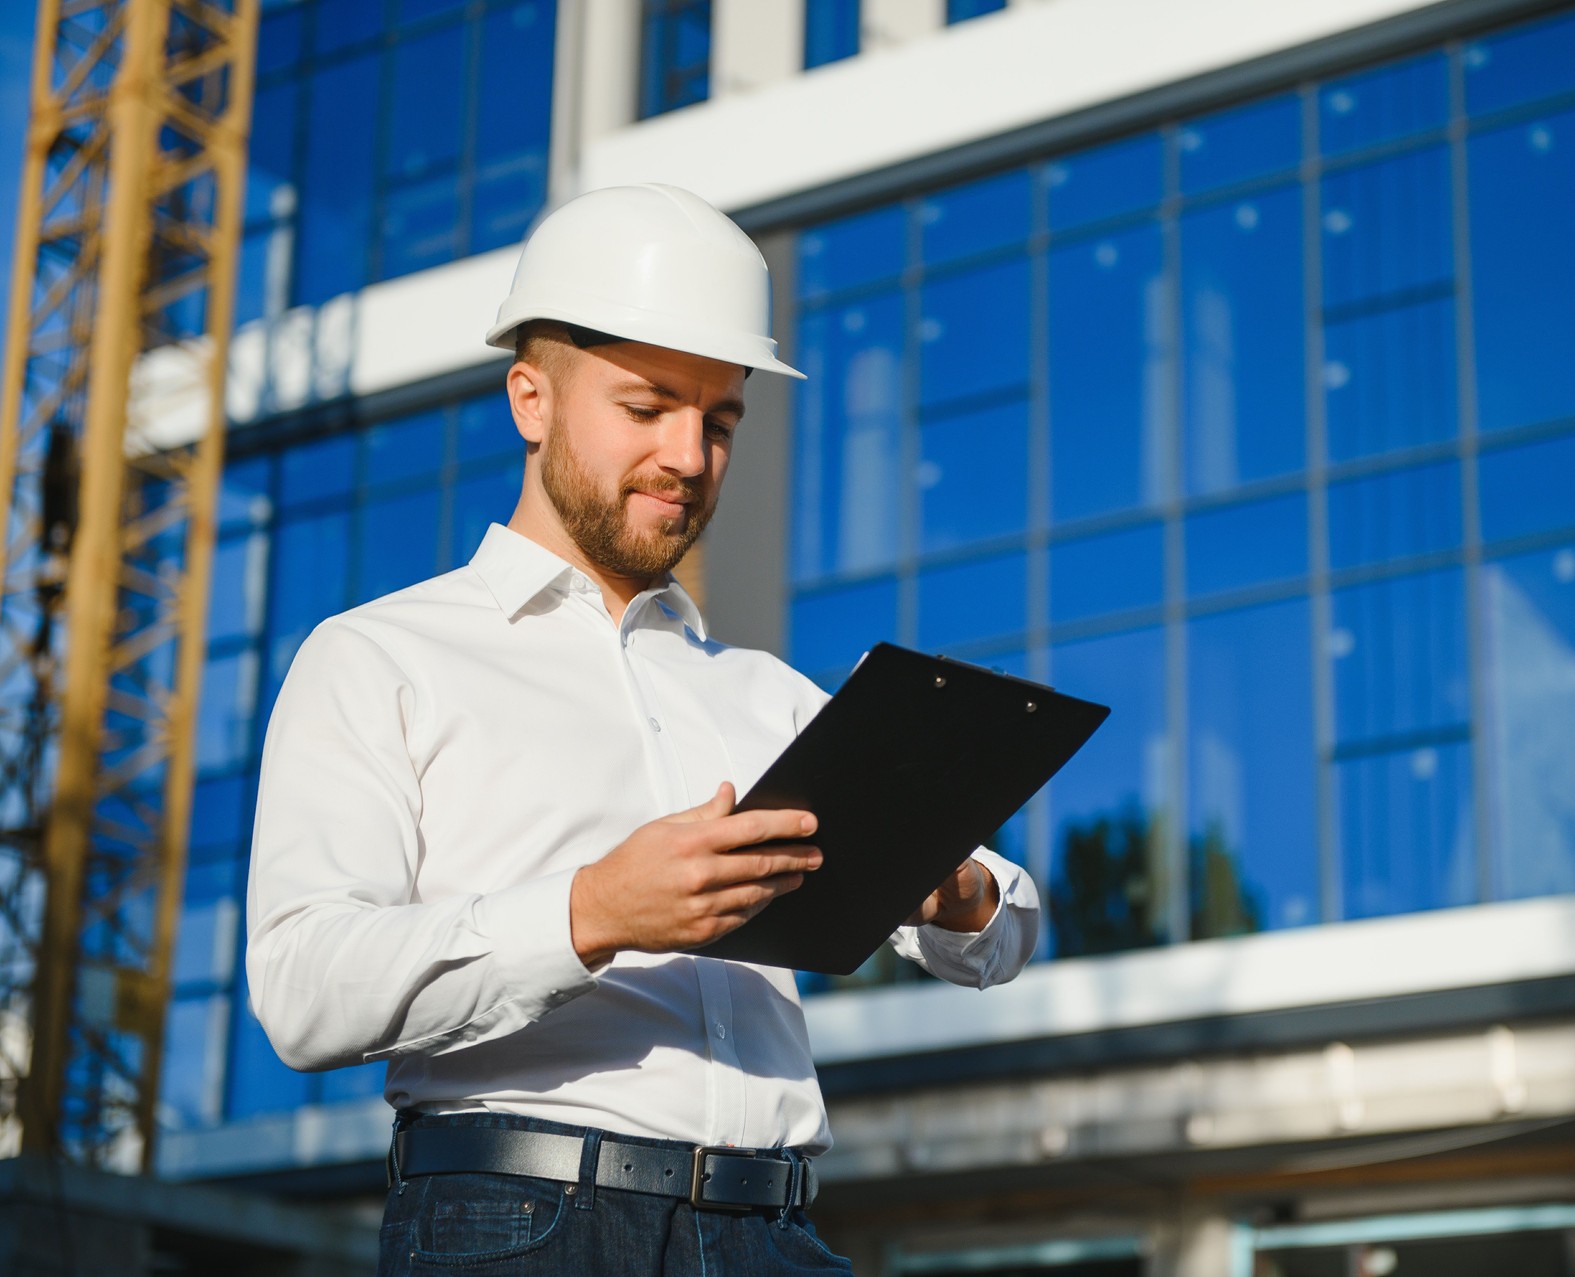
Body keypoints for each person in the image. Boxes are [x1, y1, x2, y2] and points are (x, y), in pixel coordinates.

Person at [245, 184, 1041, 1275]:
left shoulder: (764, 691)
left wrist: (951, 887)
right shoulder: (381, 655)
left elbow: (1008, 925)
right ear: (531, 398)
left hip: (777, 1232)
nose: (689, 456)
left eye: (720, 422)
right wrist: (591, 911)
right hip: (521, 1224)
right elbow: (301, 987)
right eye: (646, 407)